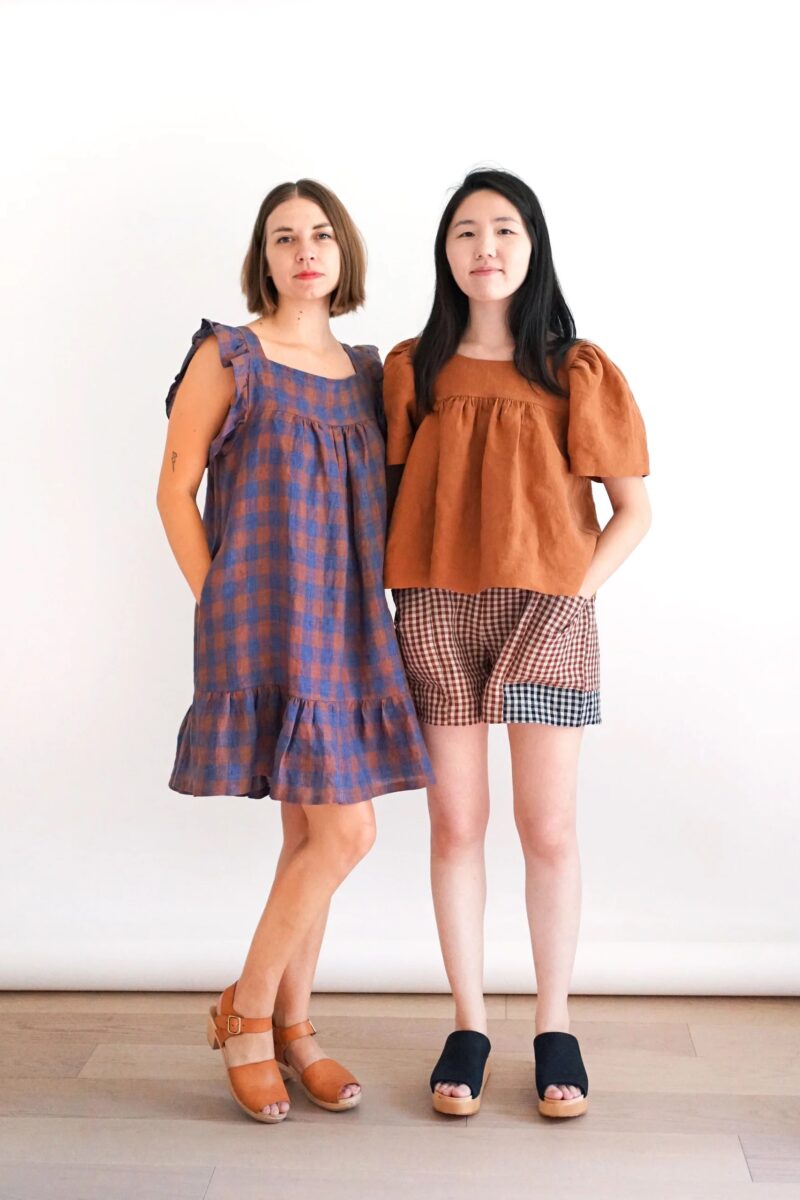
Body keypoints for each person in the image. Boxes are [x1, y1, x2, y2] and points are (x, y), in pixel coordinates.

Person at [156, 179, 433, 1123]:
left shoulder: (367, 373)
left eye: (319, 234)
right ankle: (246, 1016)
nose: (304, 250)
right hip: (264, 620)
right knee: (346, 833)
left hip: (348, 627)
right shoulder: (228, 356)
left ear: (342, 251)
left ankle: (292, 1027)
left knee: (316, 836)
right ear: (263, 258)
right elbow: (175, 491)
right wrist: (218, 601)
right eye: (284, 237)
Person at [383, 167, 651, 1119]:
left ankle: (554, 1024)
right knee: (456, 826)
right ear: (445, 252)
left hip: (548, 615)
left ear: (532, 246)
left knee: (549, 830)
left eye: (503, 229)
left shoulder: (576, 370)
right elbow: (385, 499)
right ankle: (468, 1024)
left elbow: (633, 513)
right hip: (435, 610)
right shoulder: (413, 370)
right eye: (465, 231)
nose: (484, 247)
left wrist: (570, 596)